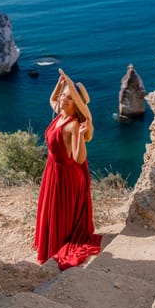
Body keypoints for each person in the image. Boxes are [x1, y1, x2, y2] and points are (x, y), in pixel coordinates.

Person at [34, 68, 102, 270]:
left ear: (77, 105)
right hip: (53, 170)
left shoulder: (72, 125)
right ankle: (51, 244)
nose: (63, 99)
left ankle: (56, 246)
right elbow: (52, 99)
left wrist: (81, 136)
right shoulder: (60, 114)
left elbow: (79, 158)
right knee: (52, 209)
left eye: (69, 98)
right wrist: (61, 83)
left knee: (59, 211)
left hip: (66, 176)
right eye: (64, 96)